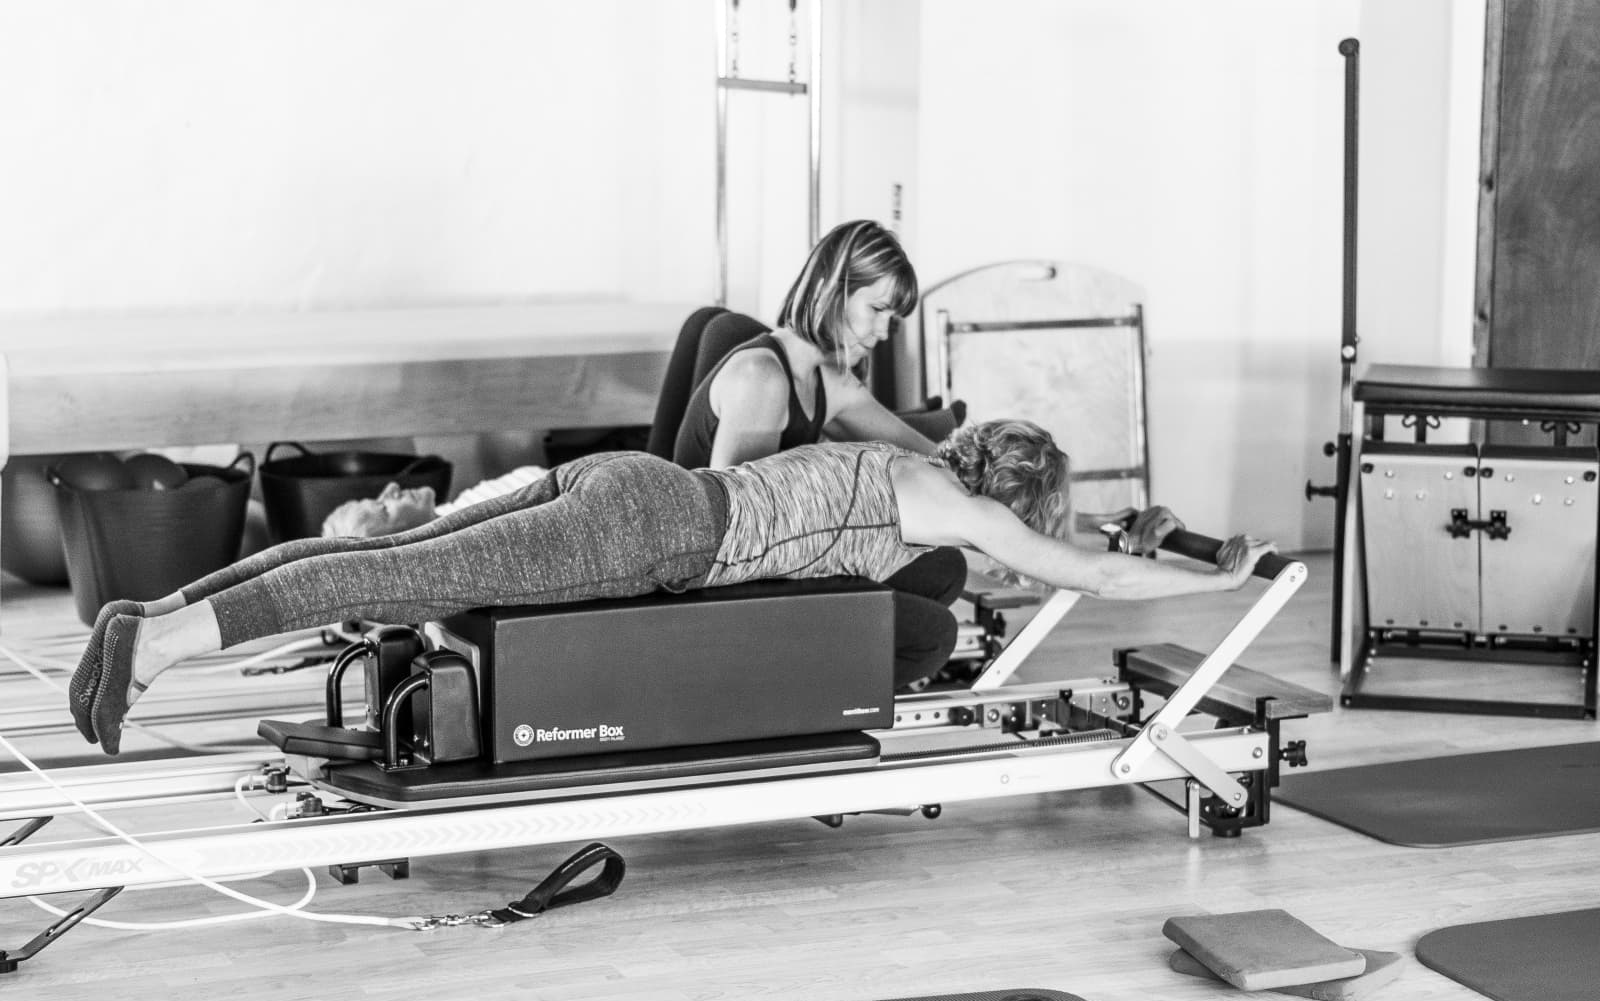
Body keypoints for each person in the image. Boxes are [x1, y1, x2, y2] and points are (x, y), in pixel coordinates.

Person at [69, 419, 1272, 757]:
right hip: (654, 532)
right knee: (400, 578)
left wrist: (1157, 535)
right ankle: (171, 648)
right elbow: (1091, 569)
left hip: (634, 480)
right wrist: (1215, 580)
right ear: (1011, 494)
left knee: (398, 558)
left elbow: (1065, 541)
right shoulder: (960, 515)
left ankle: (157, 617)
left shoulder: (908, 460)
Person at [673, 219, 1180, 688]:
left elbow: (958, 474)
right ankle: (789, 697)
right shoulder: (760, 377)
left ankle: (826, 680)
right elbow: (739, 533)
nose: (884, 330)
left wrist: (1101, 524)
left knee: (942, 569)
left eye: (893, 316)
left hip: (774, 554)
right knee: (932, 634)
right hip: (718, 577)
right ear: (832, 288)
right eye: (876, 309)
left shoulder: (828, 381)